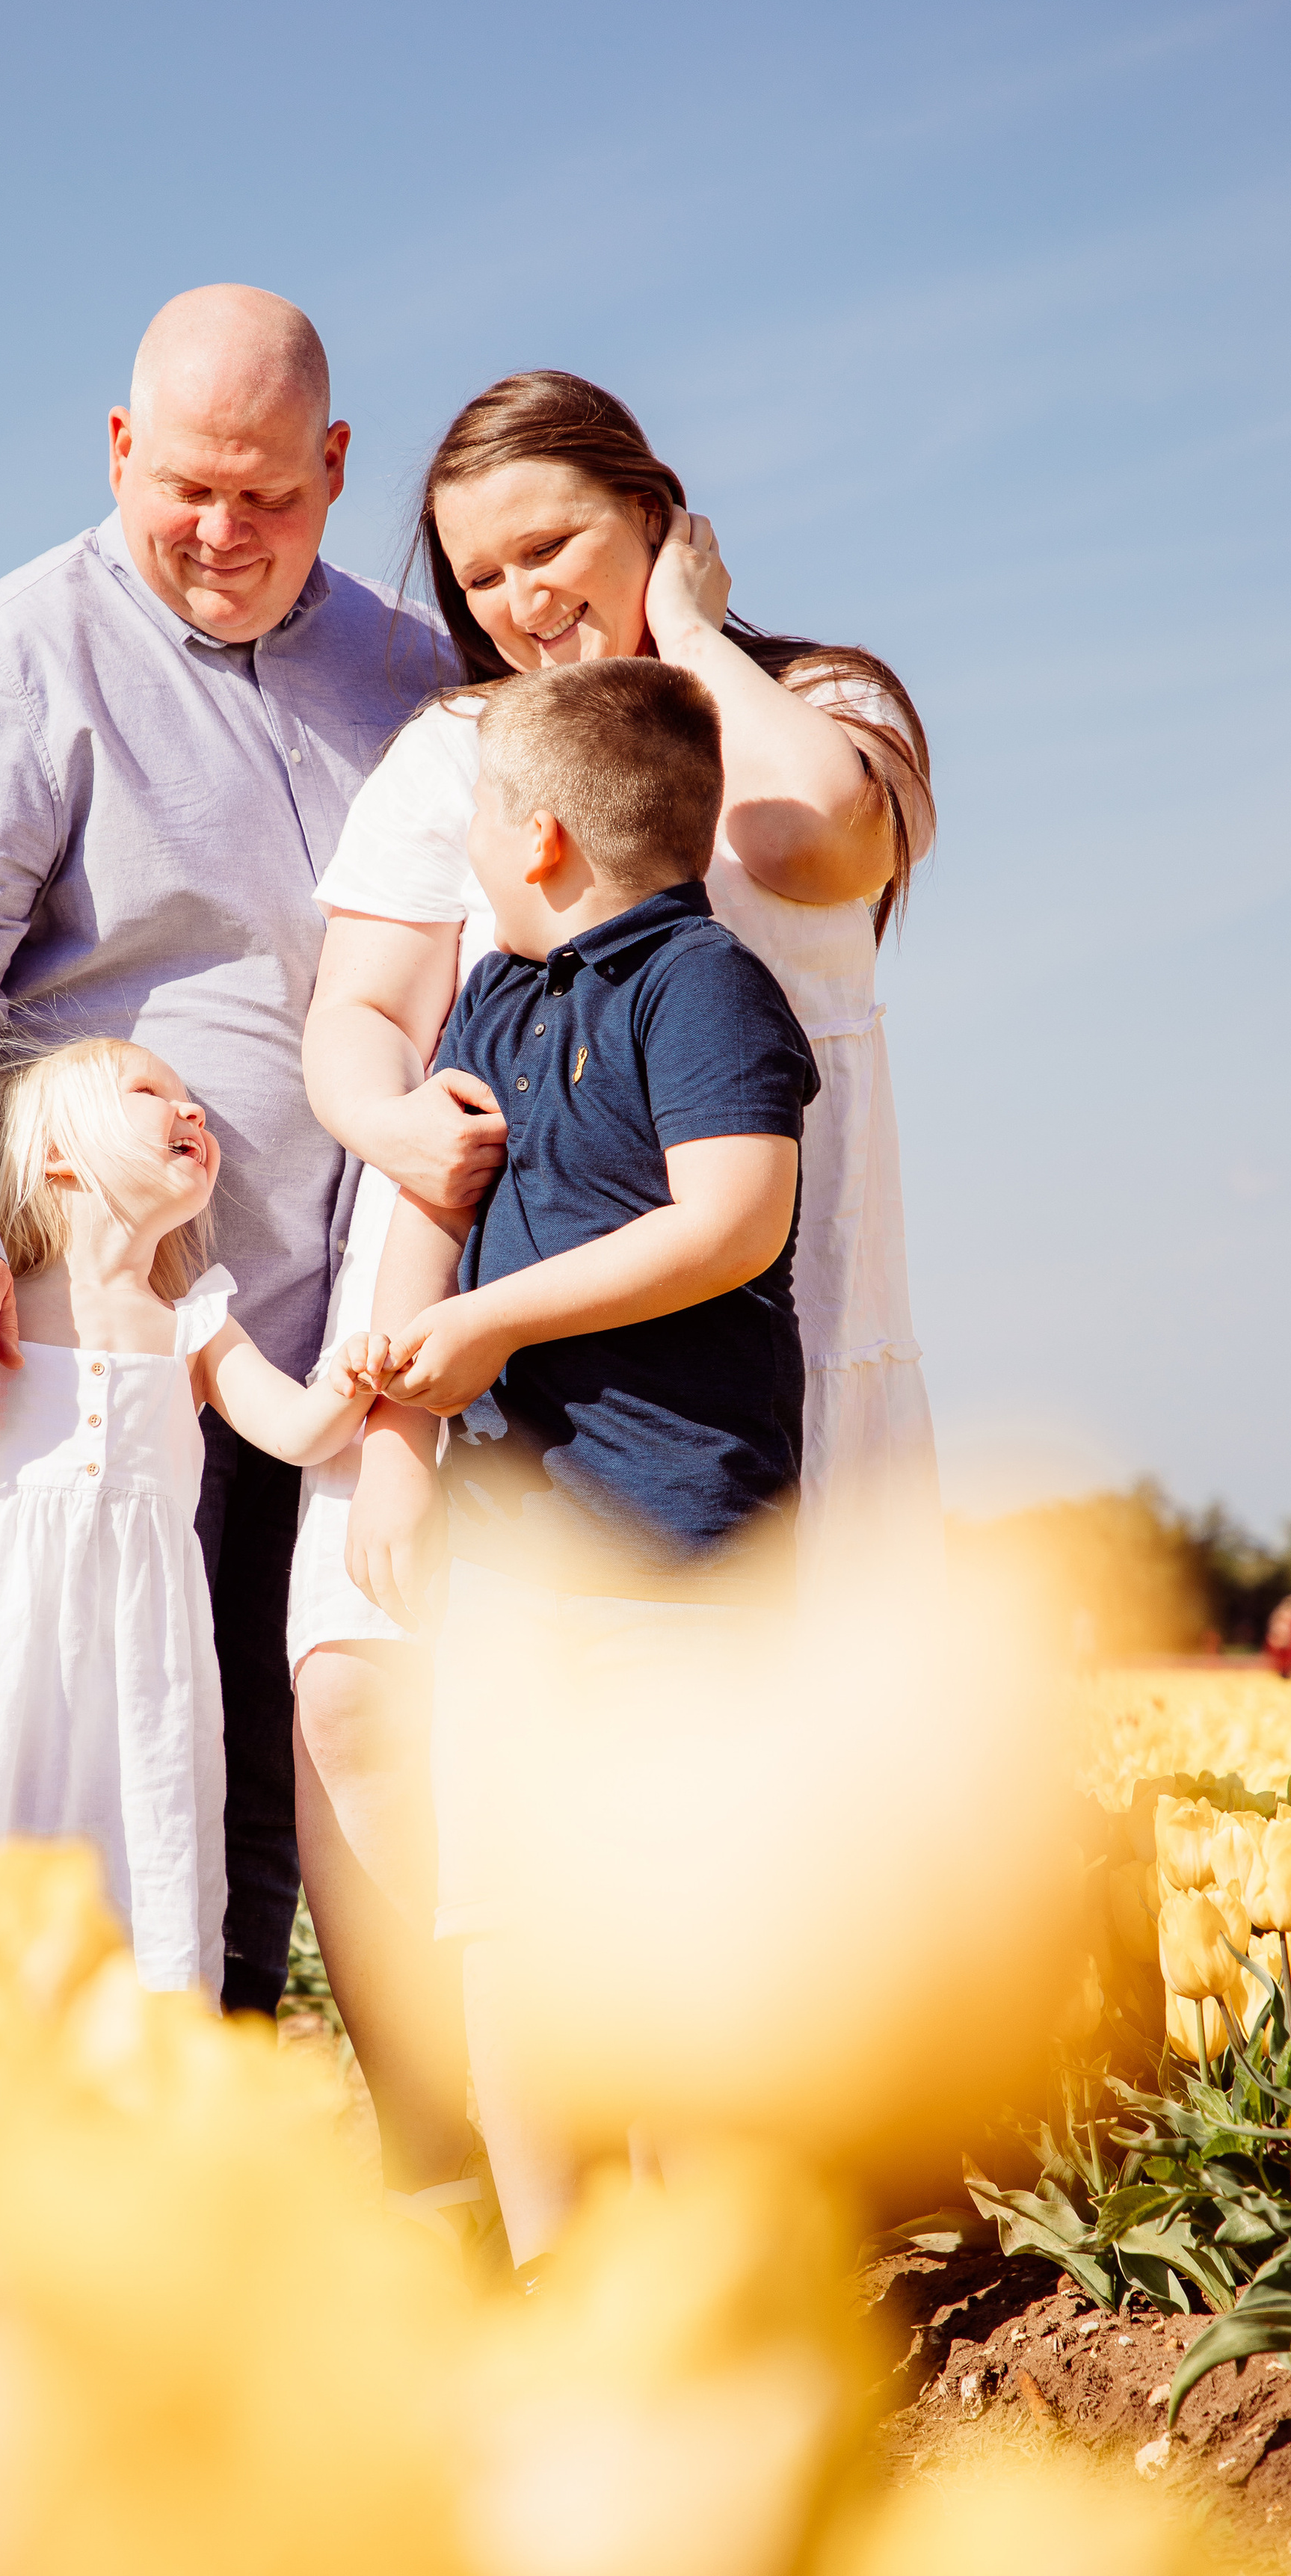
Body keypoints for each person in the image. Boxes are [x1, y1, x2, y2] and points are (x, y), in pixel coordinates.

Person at [287, 369, 934, 2198]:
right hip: (508, 1238)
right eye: (475, 570)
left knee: (764, 1742)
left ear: (652, 507)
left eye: (549, 541)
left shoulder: (813, 698)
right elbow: (369, 1013)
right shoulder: (463, 757)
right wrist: (393, 1143)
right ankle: (483, 2173)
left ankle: (771, 2174)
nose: (514, 595)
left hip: (768, 1257)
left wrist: (696, 640)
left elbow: (808, 836)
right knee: (399, 1705)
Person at [0, 285, 444, 2020]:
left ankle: (210, 2162)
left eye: (267, 492)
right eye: (183, 484)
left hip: (325, 1330)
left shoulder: (409, 671)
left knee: (241, 1775)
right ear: (117, 448)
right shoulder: (11, 657)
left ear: (334, 469)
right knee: (45, 1770)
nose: (220, 530)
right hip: (74, 1350)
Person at [350, 657, 819, 2268]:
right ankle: (554, 2275)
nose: (471, 844)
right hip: (504, 1551)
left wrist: (491, 1324)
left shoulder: (702, 985)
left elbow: (731, 1217)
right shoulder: (489, 994)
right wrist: (400, 1443)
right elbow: (433, 1209)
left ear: (536, 836)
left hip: (679, 1542)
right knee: (503, 1917)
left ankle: (694, 2275)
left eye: (478, 814)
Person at [0, 1038, 389, 1998]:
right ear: (56, 1154)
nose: (194, 1112)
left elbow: (293, 1431)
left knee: (146, 1844)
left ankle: (137, 2082)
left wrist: (349, 1377)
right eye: (152, 1093)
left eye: (195, 1100)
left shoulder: (195, 1318)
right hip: (1, 1651)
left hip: (146, 1660)